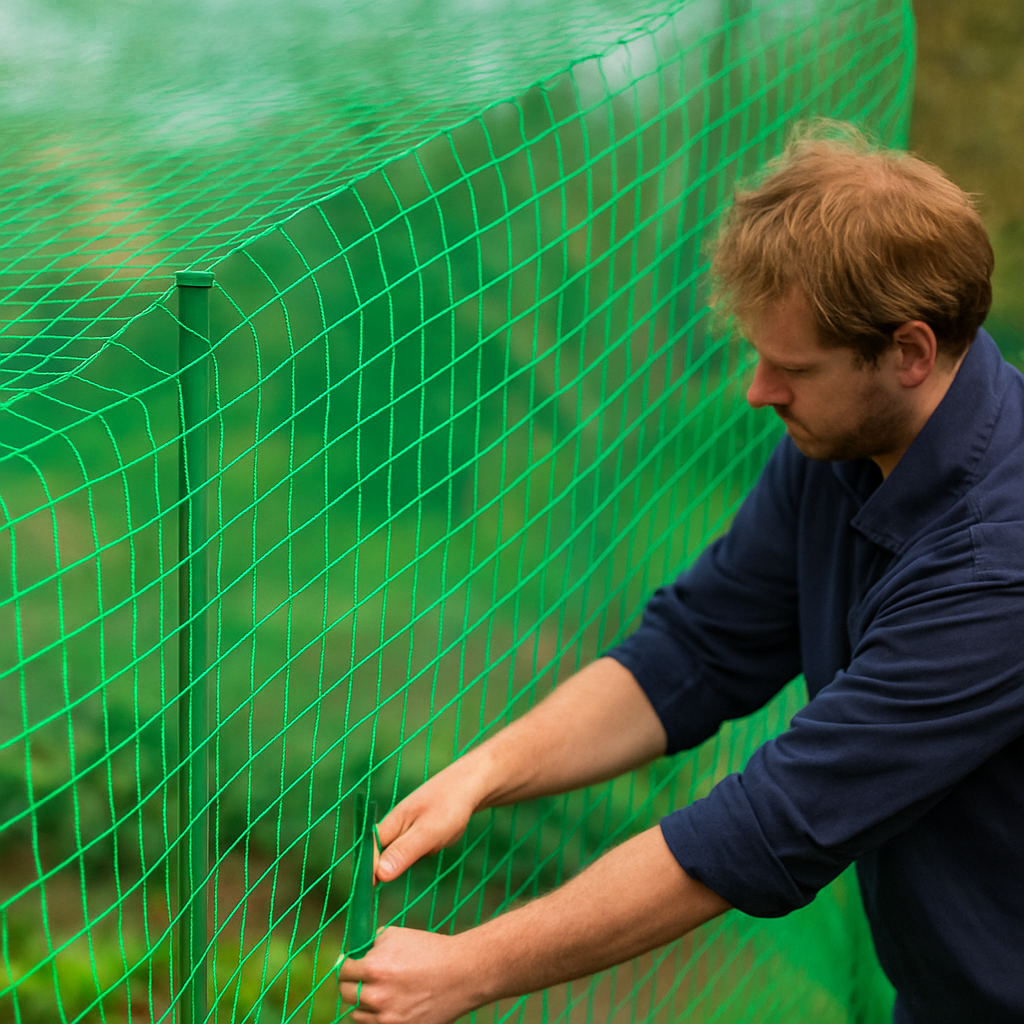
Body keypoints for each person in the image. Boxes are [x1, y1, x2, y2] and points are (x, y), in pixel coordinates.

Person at [338, 124, 1024, 1024]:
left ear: (909, 352)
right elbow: (696, 649)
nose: (758, 391)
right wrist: (489, 770)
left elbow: (773, 824)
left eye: (792, 367)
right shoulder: (843, 443)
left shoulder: (995, 567)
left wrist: (473, 965)